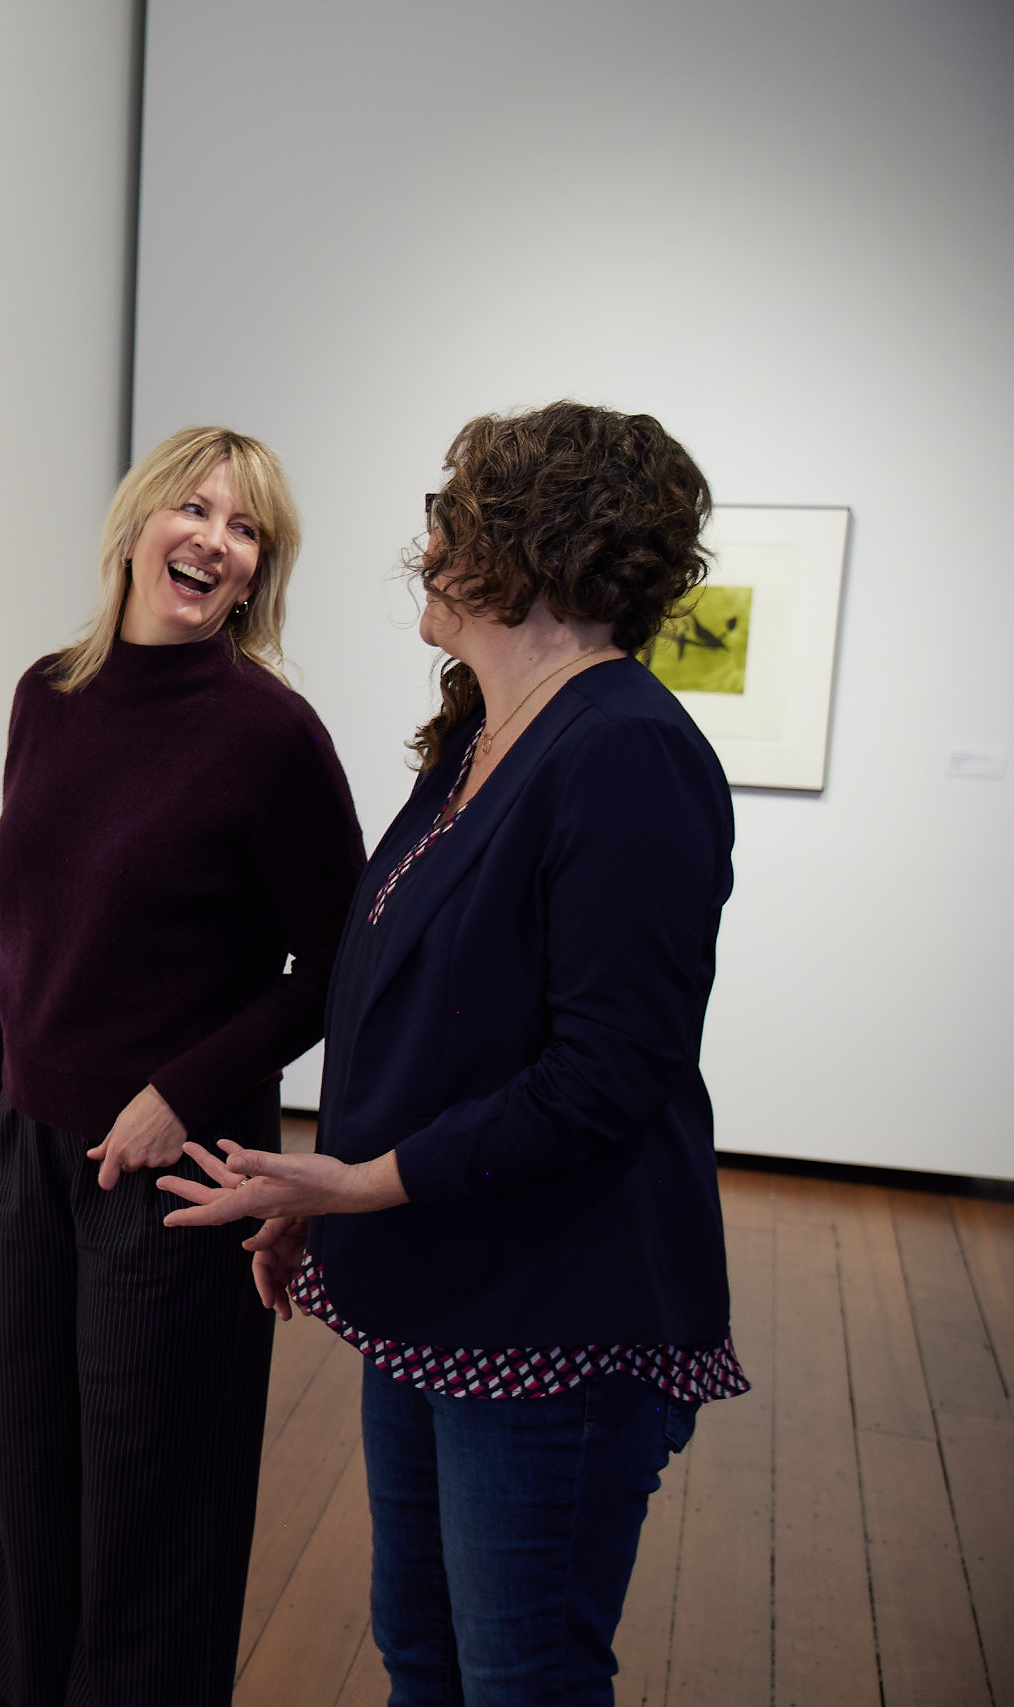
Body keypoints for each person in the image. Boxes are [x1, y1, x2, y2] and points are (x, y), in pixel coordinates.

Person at [158, 401, 749, 1706]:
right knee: (425, 1652)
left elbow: (607, 1074)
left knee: (520, 1673)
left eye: (451, 513)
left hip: (554, 1312)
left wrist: (356, 1184)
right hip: (438, 1282)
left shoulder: (627, 754)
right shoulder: (480, 736)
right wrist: (337, 1200)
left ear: (518, 545)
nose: (426, 540)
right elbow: (422, 1018)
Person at [0, 426, 364, 1707]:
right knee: (35, 1475)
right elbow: (12, 912)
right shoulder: (46, 693)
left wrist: (178, 1090)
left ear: (256, 578)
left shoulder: (271, 736)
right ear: (137, 525)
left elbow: (333, 967)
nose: (213, 542)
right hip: (33, 1144)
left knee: (154, 1498)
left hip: (180, 1168)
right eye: (194, 510)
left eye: (246, 532)